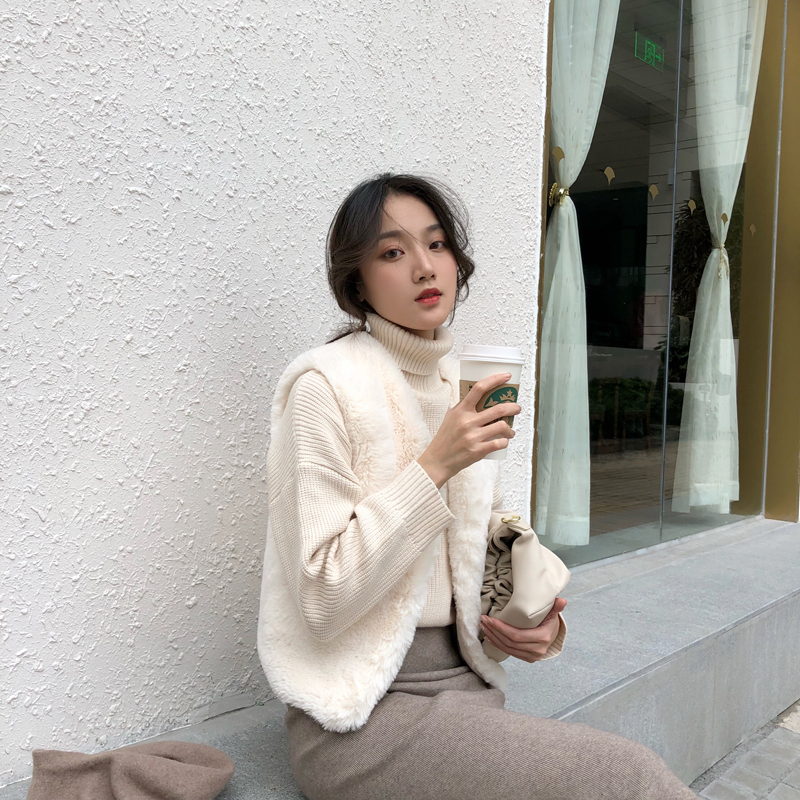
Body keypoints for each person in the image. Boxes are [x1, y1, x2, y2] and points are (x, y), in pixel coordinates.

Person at [256, 172, 700, 800]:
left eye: (436, 244)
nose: (423, 266)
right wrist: (435, 465)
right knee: (628, 776)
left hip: (468, 690)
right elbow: (322, 597)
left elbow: (473, 554)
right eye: (392, 252)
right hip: (358, 718)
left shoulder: (457, 386)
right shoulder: (322, 388)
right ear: (356, 282)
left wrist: (531, 624)